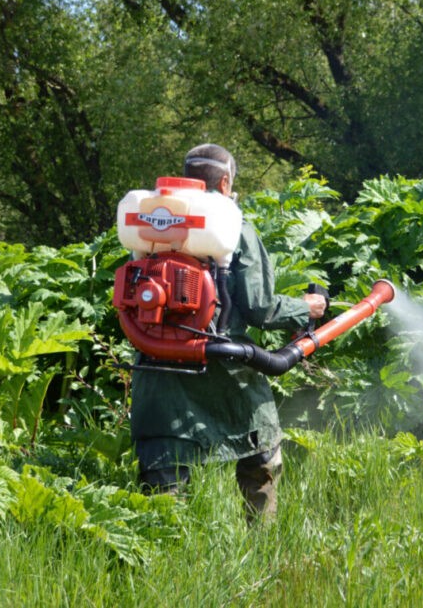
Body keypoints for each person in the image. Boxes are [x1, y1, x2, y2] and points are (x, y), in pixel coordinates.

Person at [129, 143, 327, 520]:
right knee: (262, 448)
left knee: (162, 474)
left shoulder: (148, 220)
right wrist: (308, 307)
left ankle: (156, 549)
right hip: (224, 363)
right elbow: (260, 307)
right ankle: (261, 543)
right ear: (224, 183)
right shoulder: (233, 225)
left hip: (156, 365)